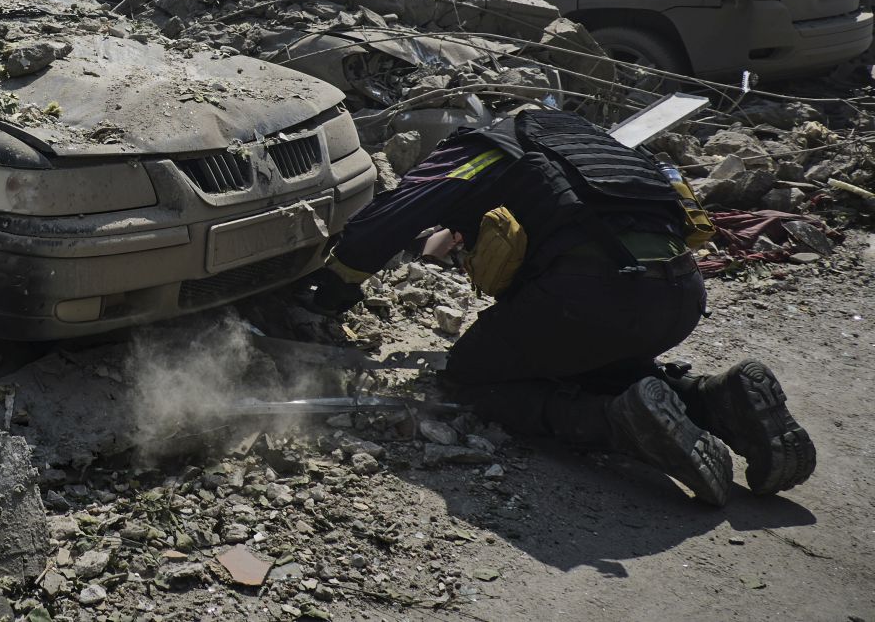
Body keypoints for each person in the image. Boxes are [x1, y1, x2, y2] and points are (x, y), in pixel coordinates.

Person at [311, 108, 815, 506]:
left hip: (588, 297)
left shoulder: (479, 150)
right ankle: (714, 398)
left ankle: (614, 423)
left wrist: (334, 290)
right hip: (679, 294)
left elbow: (383, 222)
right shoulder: (585, 143)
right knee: (585, 358)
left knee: (468, 376)